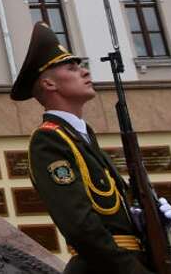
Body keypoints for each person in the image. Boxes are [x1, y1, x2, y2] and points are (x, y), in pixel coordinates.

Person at [10, 23, 150, 274]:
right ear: (49, 84)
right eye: (72, 68)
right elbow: (81, 226)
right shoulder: (49, 141)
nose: (85, 72)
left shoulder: (82, 136)